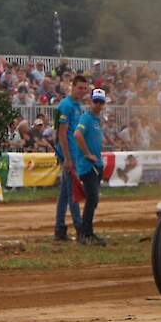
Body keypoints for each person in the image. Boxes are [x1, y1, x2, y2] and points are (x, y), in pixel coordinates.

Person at [54, 76, 87, 241]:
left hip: (73, 154)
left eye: (84, 88)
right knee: (73, 193)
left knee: (65, 195)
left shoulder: (78, 106)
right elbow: (62, 134)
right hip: (68, 155)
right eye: (79, 88)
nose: (82, 91)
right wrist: (67, 158)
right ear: (72, 86)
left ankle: (59, 229)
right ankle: (80, 229)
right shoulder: (66, 106)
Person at [74, 88, 108, 246]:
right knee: (92, 199)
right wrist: (87, 153)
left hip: (96, 165)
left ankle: (86, 232)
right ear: (91, 101)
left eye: (101, 102)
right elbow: (77, 134)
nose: (98, 104)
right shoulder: (86, 118)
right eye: (96, 101)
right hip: (88, 166)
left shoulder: (96, 120)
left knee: (93, 201)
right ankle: (86, 234)